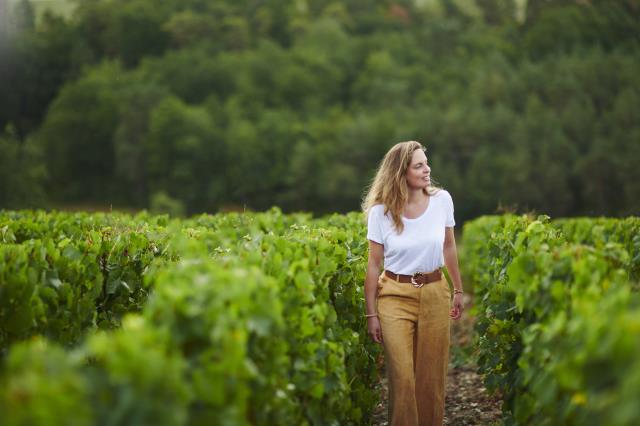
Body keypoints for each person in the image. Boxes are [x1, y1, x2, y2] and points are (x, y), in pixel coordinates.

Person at [362, 141, 464, 426]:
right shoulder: (380, 213)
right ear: (400, 172)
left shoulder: (442, 200)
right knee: (402, 375)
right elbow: (373, 264)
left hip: (434, 292)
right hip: (394, 295)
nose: (427, 169)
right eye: (418, 165)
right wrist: (371, 314)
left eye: (426, 163)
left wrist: (458, 290)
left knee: (430, 377)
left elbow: (449, 246)